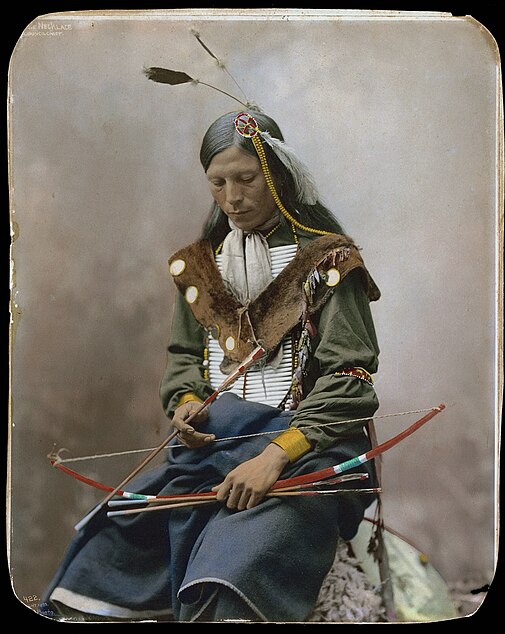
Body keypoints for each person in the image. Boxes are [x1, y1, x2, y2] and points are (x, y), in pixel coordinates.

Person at [40, 109, 381, 623]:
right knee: (108, 547)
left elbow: (350, 378)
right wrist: (188, 403)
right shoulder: (199, 266)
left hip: (305, 447)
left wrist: (274, 457)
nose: (233, 198)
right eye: (217, 183)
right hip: (215, 446)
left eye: (246, 179)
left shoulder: (327, 262)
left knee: (231, 566)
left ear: (279, 176)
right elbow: (184, 359)